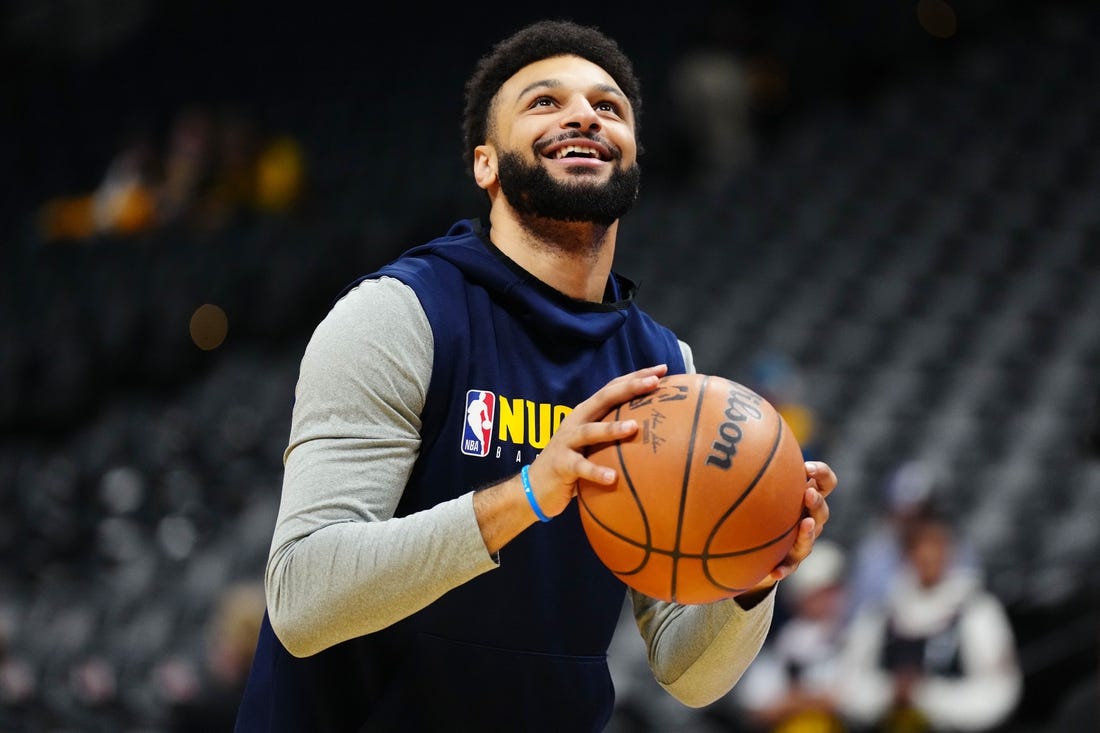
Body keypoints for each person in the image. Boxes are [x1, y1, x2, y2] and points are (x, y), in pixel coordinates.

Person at [234, 19, 838, 733]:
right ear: (485, 164)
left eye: (608, 107)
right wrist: (529, 492)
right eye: (545, 102)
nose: (584, 113)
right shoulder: (400, 316)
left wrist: (752, 571)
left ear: (633, 158)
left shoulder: (666, 369)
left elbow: (689, 674)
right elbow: (303, 600)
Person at [836, 509, 1022, 732]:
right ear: (906, 554)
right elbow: (849, 683)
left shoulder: (976, 610)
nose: (928, 555)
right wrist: (888, 693)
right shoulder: (881, 612)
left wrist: (926, 696)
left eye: (936, 545)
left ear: (950, 551)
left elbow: (999, 691)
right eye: (918, 546)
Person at [728, 540, 849, 733]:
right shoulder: (782, 640)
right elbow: (756, 707)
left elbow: (854, 699)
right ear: (803, 596)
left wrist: (802, 699)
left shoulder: (852, 633)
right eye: (823, 592)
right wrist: (808, 700)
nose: (830, 599)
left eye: (834, 591)